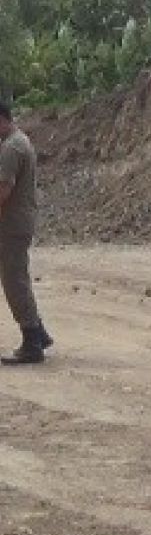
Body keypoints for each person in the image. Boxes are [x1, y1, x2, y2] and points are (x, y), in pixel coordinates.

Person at [0, 102, 52, 366]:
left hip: (11, 225)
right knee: (18, 277)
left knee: (14, 281)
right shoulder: (21, 141)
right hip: (19, 222)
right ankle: (39, 333)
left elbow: (3, 191)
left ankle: (31, 340)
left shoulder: (11, 148)